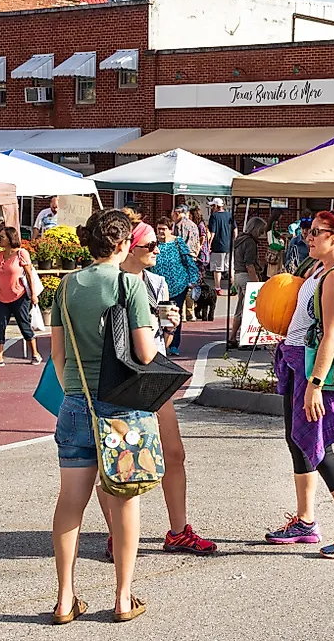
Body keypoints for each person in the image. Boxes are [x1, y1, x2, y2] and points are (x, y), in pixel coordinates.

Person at [50, 209, 158, 623]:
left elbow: (57, 354)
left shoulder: (66, 286)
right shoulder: (128, 285)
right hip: (120, 406)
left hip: (76, 402)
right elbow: (145, 353)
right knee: (123, 500)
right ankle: (123, 597)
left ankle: (64, 598)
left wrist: (76, 390)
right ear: (121, 243)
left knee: (70, 502)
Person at [96, 218, 217, 559]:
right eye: (151, 246)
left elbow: (157, 342)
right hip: (120, 380)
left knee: (174, 453)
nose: (157, 250)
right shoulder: (111, 283)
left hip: (153, 378)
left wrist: (169, 325)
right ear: (129, 248)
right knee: (117, 461)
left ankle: (178, 531)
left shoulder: (156, 283)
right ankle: (115, 534)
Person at [265, 210, 334, 559]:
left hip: (316, 372)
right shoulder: (319, 268)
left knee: (319, 447)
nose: (308, 237)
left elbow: (332, 334)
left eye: (316, 232)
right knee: (297, 441)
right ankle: (305, 520)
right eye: (307, 231)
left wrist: (315, 384)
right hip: (298, 362)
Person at [0, 226, 42, 366]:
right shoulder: (0, 255)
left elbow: (29, 274)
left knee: (24, 325)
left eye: (2, 237)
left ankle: (35, 354)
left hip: (19, 296)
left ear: (10, 238)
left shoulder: (21, 253)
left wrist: (33, 294)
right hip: (2, 297)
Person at [151, 217, 199, 357]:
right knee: (157, 315)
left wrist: (193, 280)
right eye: (159, 228)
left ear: (170, 230)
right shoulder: (153, 243)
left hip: (178, 285)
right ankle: (159, 343)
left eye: (164, 229)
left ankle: (173, 345)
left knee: (173, 315)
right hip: (157, 287)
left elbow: (189, 261)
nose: (161, 232)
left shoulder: (178, 242)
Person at [228, 217, 267, 348]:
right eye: (261, 231)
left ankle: (233, 337)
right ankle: (245, 340)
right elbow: (249, 264)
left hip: (238, 274)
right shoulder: (250, 242)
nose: (262, 234)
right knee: (249, 309)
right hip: (247, 276)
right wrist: (257, 283)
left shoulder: (239, 239)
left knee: (240, 308)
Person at [172, 204, 200, 321]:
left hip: (183, 257)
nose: (172, 216)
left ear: (178, 213)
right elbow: (198, 241)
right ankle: (191, 312)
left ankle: (183, 313)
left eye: (173, 214)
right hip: (193, 256)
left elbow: (180, 242)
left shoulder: (180, 225)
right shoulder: (193, 225)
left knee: (181, 284)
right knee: (191, 284)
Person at [207, 198, 235, 295]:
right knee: (230, 267)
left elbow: (212, 232)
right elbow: (235, 229)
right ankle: (233, 287)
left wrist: (209, 244)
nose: (211, 208)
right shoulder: (229, 215)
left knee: (217, 268)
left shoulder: (214, 216)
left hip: (217, 246)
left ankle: (218, 288)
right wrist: (234, 241)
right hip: (229, 246)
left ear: (215, 206)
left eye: (212, 206)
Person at [265, 210, 288, 278]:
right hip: (275, 253)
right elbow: (274, 234)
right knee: (276, 271)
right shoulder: (273, 226)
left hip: (272, 253)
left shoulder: (270, 226)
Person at [190, 205, 210, 277]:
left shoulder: (200, 226)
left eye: (190, 215)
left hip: (202, 253)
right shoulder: (199, 225)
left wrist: (199, 247)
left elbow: (203, 237)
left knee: (200, 273)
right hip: (202, 253)